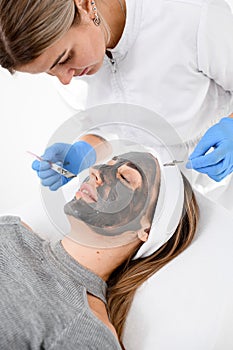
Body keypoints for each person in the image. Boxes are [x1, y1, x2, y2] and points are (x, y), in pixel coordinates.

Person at [1, 0, 233, 196]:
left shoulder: (190, 14)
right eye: (49, 71)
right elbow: (112, 129)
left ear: (83, 5)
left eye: (64, 59)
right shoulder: (72, 69)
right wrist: (84, 149)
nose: (64, 79)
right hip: (162, 199)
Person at [0, 151, 199, 349]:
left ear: (147, 229)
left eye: (124, 177)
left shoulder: (85, 331)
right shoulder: (11, 230)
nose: (96, 170)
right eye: (107, 164)